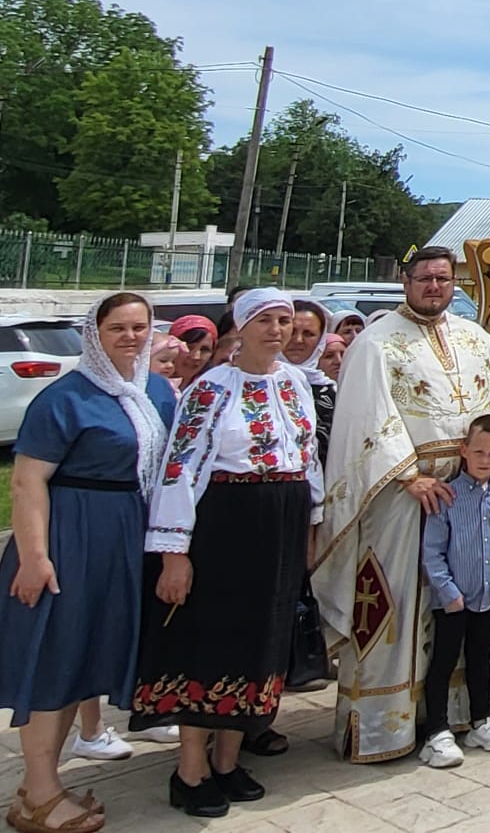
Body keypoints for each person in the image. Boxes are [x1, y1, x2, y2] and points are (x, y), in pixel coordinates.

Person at [313, 248, 490, 763]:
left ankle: (457, 718)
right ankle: (388, 727)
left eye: (443, 278)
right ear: (406, 281)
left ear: (455, 283)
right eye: (424, 278)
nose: (433, 286)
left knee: (464, 602)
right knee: (399, 606)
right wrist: (407, 475)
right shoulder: (376, 342)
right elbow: (365, 417)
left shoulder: (476, 338)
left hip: (471, 489)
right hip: (404, 496)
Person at [130, 288, 321, 815]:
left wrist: (312, 524)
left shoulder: (295, 383)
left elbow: (307, 459)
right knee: (211, 643)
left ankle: (228, 762)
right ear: (240, 327)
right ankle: (189, 771)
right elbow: (180, 468)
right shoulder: (211, 389)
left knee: (260, 640)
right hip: (226, 526)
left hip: (280, 526)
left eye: (284, 320)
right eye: (264, 320)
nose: (277, 330)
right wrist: (174, 552)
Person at [1, 293, 174, 833]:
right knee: (55, 659)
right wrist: (35, 558)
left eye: (139, 327)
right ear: (93, 332)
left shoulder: (154, 392)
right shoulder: (65, 398)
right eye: (117, 327)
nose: (129, 336)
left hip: (122, 537)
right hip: (69, 538)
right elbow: (28, 481)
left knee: (83, 664)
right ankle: (39, 793)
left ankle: (42, 786)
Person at [417, 414, 490, 768]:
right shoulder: (448, 495)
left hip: (489, 596)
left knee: (480, 657)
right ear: (464, 450)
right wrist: (448, 592)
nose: (485, 460)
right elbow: (432, 550)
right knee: (444, 661)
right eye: (478, 452)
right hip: (454, 601)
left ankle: (481, 720)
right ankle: (436, 731)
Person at [283, 300, 340, 463]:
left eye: (308, 333)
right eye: (292, 331)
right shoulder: (261, 382)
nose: (298, 340)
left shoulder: (331, 391)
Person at [167, 317, 217, 390]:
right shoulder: (150, 384)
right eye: (189, 347)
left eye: (204, 350)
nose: (196, 357)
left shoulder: (211, 389)